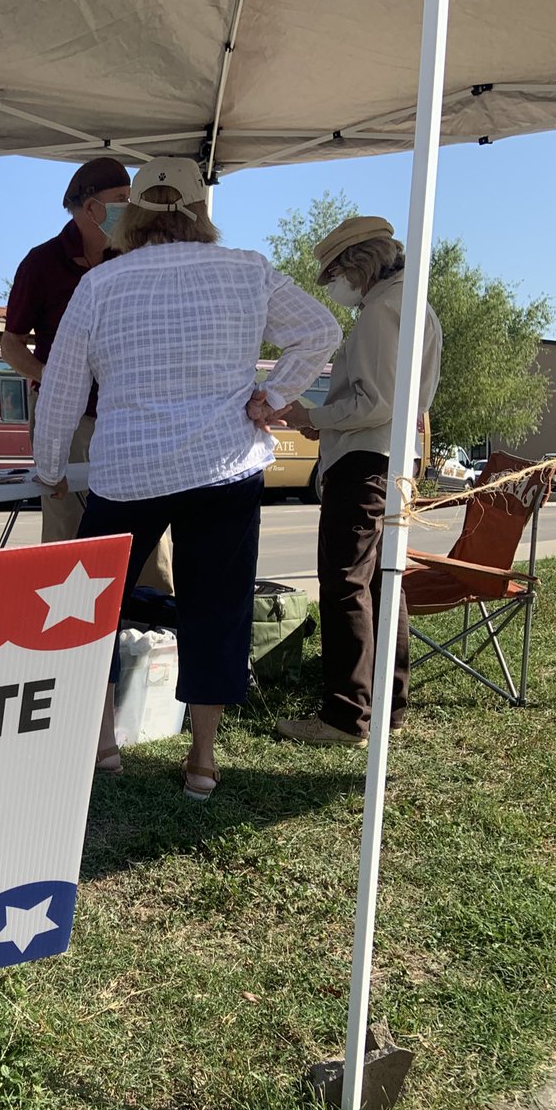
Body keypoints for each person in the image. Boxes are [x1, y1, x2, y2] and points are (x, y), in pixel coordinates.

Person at [32, 157, 341, 792]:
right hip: (223, 466)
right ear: (201, 212)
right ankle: (202, 760)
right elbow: (321, 330)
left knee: (93, 608)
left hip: (126, 471)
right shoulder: (247, 269)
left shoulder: (101, 284)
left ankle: (103, 745)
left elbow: (61, 386)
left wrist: (50, 468)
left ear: (131, 213)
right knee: (215, 608)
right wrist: (273, 397)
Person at [270, 217, 442, 747]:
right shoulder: (412, 305)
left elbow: (376, 404)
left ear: (355, 263)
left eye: (333, 274)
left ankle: (345, 716)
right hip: (394, 462)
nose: (332, 286)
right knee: (382, 582)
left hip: (366, 461)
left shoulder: (379, 312)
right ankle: (385, 704)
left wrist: (310, 418)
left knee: (345, 582)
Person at [1, 157, 174, 595]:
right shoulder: (40, 263)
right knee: (68, 525)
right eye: (121, 201)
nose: (130, 209)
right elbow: (11, 344)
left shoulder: (137, 259)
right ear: (91, 207)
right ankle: (68, 633)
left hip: (131, 413)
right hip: (67, 417)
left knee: (146, 524)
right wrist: (56, 379)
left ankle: (153, 630)